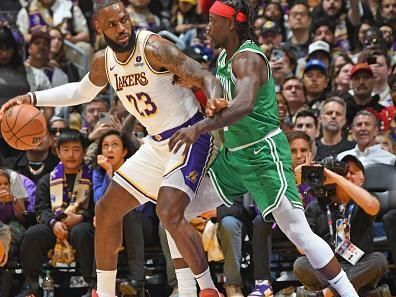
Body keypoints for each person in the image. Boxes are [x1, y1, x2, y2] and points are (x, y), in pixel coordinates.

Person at [0, 1, 224, 297]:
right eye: (113, 25)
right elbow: (80, 92)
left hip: (190, 136)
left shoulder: (153, 47)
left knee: (169, 212)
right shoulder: (103, 61)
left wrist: (214, 101)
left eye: (124, 21)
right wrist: (31, 97)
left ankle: (208, 290)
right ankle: (104, 292)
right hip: (155, 144)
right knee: (106, 210)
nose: (121, 29)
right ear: (98, 27)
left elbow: (204, 75)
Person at [169, 1, 359, 297]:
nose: (206, 27)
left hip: (263, 155)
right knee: (174, 211)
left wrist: (199, 127)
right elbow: (224, 96)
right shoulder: (223, 56)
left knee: (299, 233)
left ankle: (349, 293)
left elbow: (244, 105)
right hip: (234, 157)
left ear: (230, 24)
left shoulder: (248, 58)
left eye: (212, 20)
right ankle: (196, 290)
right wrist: (200, 92)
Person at [293, 155, 387, 297]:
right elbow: (301, 248)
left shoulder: (364, 201)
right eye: (343, 172)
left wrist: (338, 179)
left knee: (379, 260)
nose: (347, 176)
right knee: (300, 264)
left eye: (353, 172)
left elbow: (373, 207)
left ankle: (326, 294)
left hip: (358, 265)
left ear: (362, 179)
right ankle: (357, 291)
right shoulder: (316, 206)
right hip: (326, 268)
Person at [17, 129, 95, 297]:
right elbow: (41, 209)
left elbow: (99, 207)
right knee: (32, 234)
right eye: (65, 149)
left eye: (76, 149)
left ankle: (92, 285)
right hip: (54, 226)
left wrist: (82, 217)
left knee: (83, 232)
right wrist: (53, 223)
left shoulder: (93, 178)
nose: (71, 155)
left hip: (82, 225)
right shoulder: (47, 179)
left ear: (84, 151)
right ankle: (31, 285)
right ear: (57, 152)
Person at [93, 129, 157, 297]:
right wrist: (108, 173)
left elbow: (140, 207)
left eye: (115, 145)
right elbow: (100, 203)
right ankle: (97, 285)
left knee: (124, 213)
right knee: (100, 219)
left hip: (141, 224)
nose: (109, 150)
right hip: (114, 225)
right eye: (105, 146)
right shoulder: (98, 173)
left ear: (125, 151)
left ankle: (137, 280)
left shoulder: (135, 169)